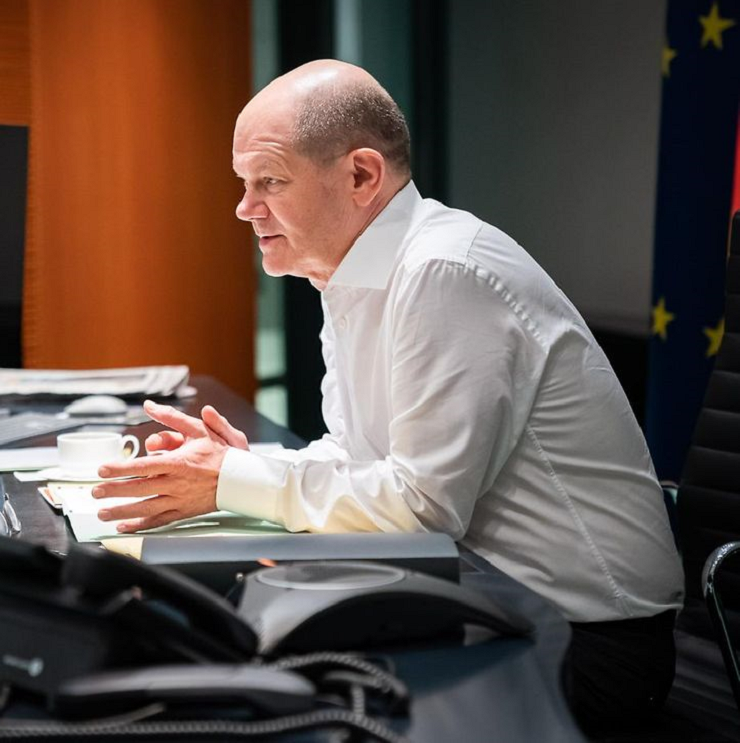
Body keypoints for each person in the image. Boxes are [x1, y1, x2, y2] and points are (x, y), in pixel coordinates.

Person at [93, 60, 683, 732]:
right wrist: (244, 466)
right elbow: (359, 457)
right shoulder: (349, 272)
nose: (244, 207)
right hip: (485, 596)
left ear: (362, 176)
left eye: (270, 181)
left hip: (589, 644)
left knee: (263, 702)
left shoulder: (445, 272)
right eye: (243, 183)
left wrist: (235, 481)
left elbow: (424, 510)